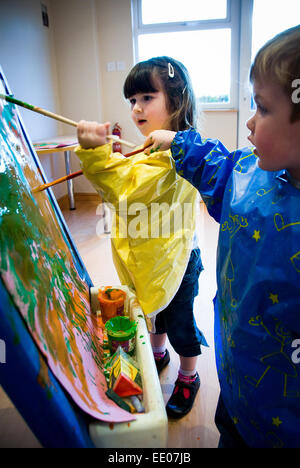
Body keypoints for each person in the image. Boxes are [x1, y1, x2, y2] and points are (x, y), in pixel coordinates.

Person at [142, 26, 300, 447]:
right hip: (236, 379)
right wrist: (177, 141)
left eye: (262, 109)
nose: (249, 122)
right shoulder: (251, 174)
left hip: (282, 420)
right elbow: (221, 168)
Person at [75, 56, 208, 418]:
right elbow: (137, 173)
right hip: (155, 254)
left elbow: (127, 190)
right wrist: (120, 156)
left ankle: (188, 375)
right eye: (132, 100)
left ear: (177, 102)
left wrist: (96, 155)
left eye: (147, 97)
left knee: (181, 325)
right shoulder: (157, 147)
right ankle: (158, 353)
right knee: (154, 312)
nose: (136, 108)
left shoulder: (179, 151)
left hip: (177, 262)